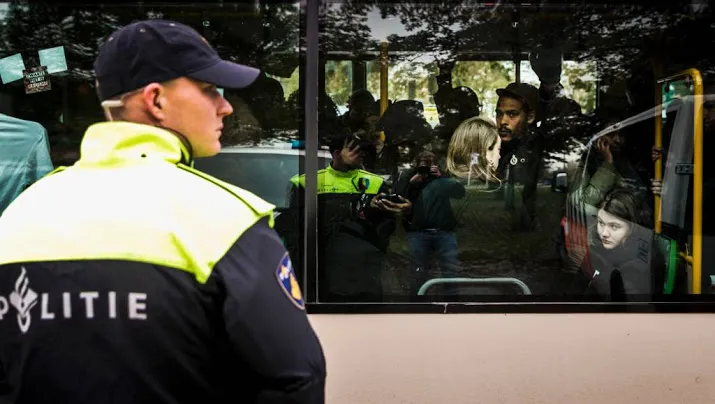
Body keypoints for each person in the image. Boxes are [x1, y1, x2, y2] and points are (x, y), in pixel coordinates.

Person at [0, 20, 325, 404]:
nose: (225, 107)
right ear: (156, 100)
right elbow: (296, 379)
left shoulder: (20, 213)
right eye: (210, 90)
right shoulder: (226, 218)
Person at [289, 132, 411, 301]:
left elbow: (386, 229)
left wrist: (401, 211)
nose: (360, 153)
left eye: (362, 149)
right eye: (353, 149)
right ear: (336, 153)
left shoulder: (375, 183)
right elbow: (298, 226)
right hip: (323, 267)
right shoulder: (306, 182)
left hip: (364, 266)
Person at [395, 150, 466, 296]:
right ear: (416, 164)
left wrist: (441, 177)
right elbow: (398, 198)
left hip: (443, 230)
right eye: (423, 164)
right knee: (418, 272)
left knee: (450, 271)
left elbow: (459, 193)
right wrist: (412, 184)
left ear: (435, 165)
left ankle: (453, 303)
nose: (426, 168)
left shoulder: (439, 176)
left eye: (430, 164)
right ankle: (416, 305)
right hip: (417, 231)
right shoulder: (409, 176)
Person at [587, 188, 664, 300]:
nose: (604, 233)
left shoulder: (637, 266)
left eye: (614, 226)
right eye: (601, 223)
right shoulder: (607, 249)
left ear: (632, 228)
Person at [495, 82, 542, 231]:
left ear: (530, 117)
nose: (503, 121)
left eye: (512, 114)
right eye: (499, 113)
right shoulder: (502, 149)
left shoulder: (537, 154)